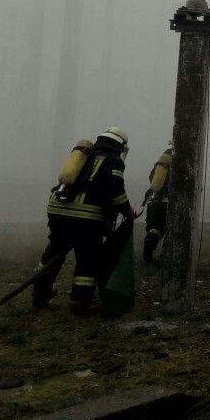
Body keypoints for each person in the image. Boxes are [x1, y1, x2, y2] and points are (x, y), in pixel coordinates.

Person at [33, 127, 136, 315]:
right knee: (88, 258)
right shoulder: (114, 161)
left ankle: (40, 293)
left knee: (54, 252)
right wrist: (128, 211)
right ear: (119, 145)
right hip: (86, 217)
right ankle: (80, 303)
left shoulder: (85, 155)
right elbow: (116, 190)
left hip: (58, 210)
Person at [141, 144, 173, 263]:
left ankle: (150, 239)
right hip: (167, 203)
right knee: (168, 228)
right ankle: (166, 254)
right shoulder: (179, 163)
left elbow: (151, 178)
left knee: (154, 227)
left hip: (153, 201)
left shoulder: (159, 165)